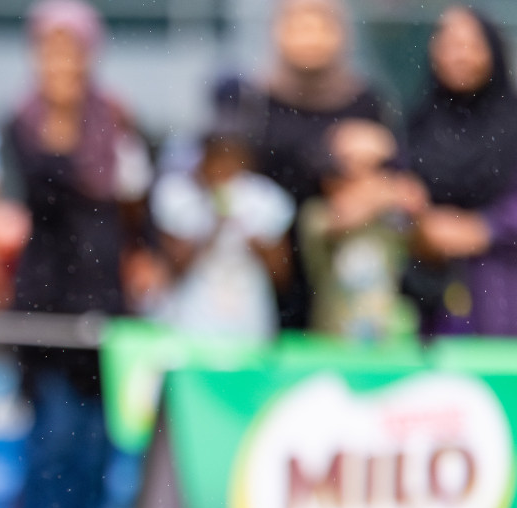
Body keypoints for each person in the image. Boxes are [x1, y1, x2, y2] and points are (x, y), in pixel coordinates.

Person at [7, 0, 151, 508]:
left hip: (105, 298)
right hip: (43, 301)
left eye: (72, 49)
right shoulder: (21, 123)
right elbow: (24, 201)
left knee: (96, 441)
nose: (61, 62)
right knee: (52, 436)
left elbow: (134, 206)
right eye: (51, 49)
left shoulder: (116, 119)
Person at [214, 0, 391, 330]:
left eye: (321, 26)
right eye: (298, 26)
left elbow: (392, 173)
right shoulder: (253, 100)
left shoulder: (365, 101)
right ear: (277, 31)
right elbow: (228, 170)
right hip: (264, 262)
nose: (310, 38)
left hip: (339, 264)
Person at [406, 6, 517, 336]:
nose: (461, 56)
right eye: (451, 44)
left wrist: (485, 228)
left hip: (502, 280)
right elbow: (404, 189)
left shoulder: (511, 123)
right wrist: (421, 222)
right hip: (431, 289)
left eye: (472, 45)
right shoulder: (420, 122)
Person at [151, 125, 295, 341]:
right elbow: (174, 268)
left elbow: (282, 276)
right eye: (215, 163)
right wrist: (213, 225)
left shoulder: (265, 199)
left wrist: (253, 237)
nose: (222, 173)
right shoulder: (178, 195)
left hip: (249, 321)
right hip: (193, 320)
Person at [298, 119, 425, 342]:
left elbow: (424, 242)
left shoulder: (390, 216)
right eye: (355, 168)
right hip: (331, 340)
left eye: (379, 168)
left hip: (384, 341)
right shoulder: (317, 214)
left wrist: (417, 207)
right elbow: (342, 219)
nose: (370, 179)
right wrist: (384, 194)